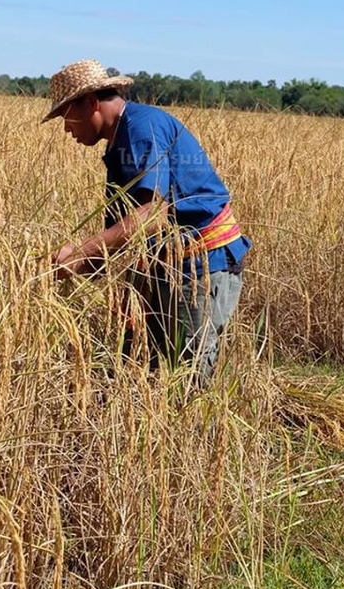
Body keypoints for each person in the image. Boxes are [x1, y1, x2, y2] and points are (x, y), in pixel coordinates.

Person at [43, 59, 251, 382]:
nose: (66, 128)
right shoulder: (120, 140)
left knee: (187, 377)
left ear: (90, 103)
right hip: (167, 264)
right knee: (144, 363)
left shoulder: (141, 129)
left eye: (66, 115)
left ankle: (193, 433)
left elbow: (151, 214)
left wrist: (81, 252)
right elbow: (132, 230)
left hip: (201, 266)